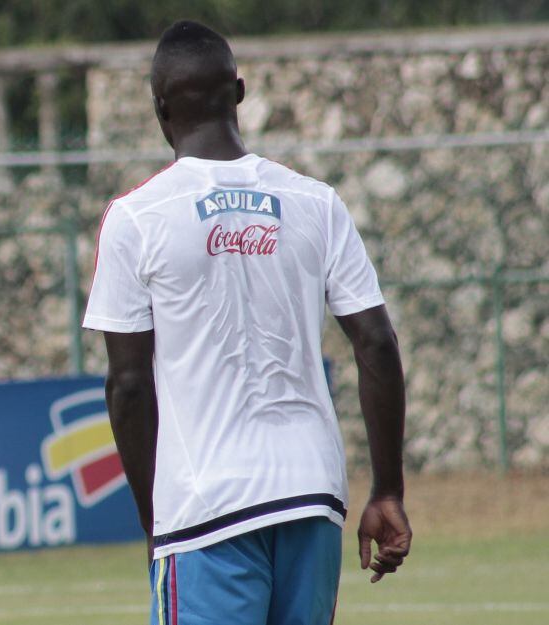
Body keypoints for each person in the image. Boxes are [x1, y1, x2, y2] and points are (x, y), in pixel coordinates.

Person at [83, 21, 411, 625]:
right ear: (239, 92)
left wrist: (156, 525)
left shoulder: (135, 218)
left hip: (206, 508)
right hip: (310, 495)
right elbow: (377, 343)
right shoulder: (316, 202)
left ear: (160, 110)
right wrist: (387, 489)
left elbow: (129, 386)